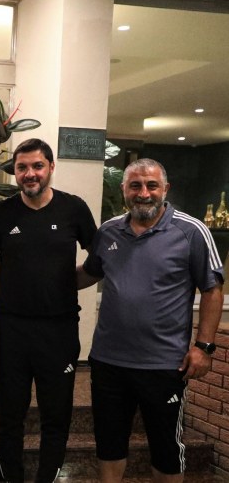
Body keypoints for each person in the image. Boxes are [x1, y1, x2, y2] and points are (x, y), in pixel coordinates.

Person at [78, 158, 223, 483]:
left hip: (164, 365)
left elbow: (213, 289)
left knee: (166, 451)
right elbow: (90, 273)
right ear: (124, 190)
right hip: (108, 363)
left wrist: (204, 347)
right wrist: (42, 276)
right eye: (136, 185)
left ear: (165, 189)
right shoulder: (109, 230)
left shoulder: (191, 231)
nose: (143, 193)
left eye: (151, 185)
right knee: (109, 446)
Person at [0, 138, 97, 483]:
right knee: (10, 417)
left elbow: (99, 261)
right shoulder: (3, 213)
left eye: (37, 166)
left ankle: (47, 478)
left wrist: (66, 283)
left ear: (50, 167)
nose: (30, 174)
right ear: (15, 172)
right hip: (12, 331)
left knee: (56, 416)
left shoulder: (73, 208)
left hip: (59, 331)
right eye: (22, 167)